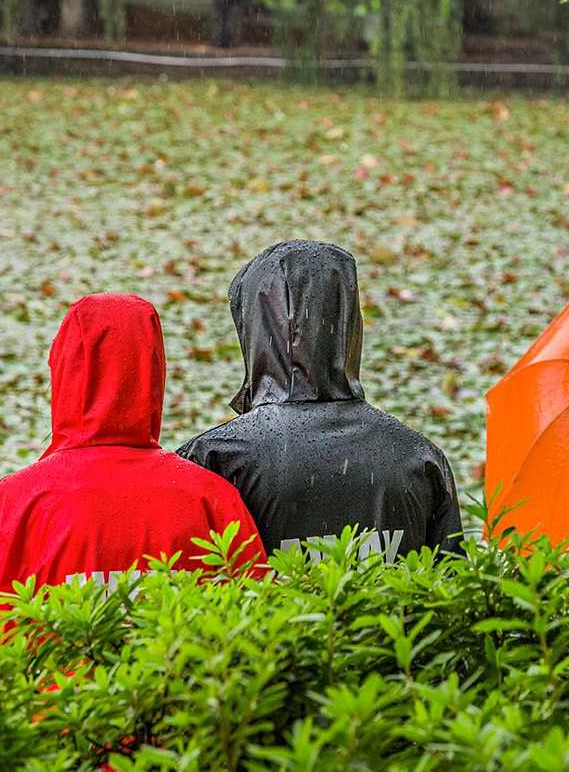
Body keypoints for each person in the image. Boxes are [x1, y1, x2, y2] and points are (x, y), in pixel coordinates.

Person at [0, 293, 266, 643]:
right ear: (154, 372)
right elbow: (255, 637)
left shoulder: (16, 503)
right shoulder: (211, 499)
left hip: (54, 699)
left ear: (63, 371)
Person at [177, 241, 463, 564]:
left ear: (254, 329)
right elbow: (451, 591)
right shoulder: (419, 459)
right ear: (349, 322)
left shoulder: (213, 461)